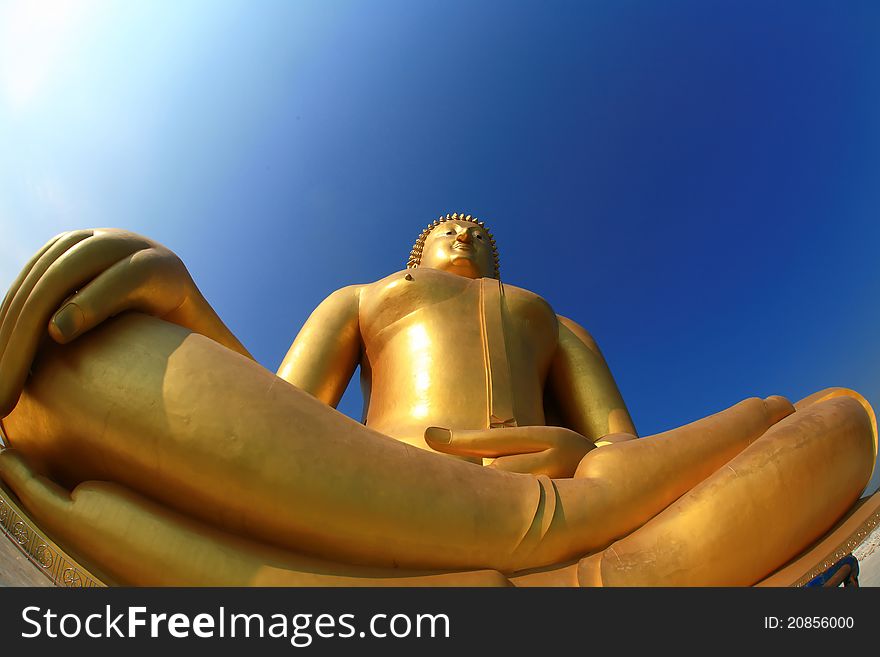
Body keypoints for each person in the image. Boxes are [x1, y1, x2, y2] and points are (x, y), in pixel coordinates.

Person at [0, 215, 875, 586]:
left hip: (580, 503)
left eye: (476, 231)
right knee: (89, 362)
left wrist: (584, 462)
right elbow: (276, 415)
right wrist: (181, 303)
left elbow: (620, 443)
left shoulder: (552, 321)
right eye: (446, 229)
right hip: (381, 493)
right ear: (418, 251)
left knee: (831, 419)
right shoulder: (364, 296)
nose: (462, 233)